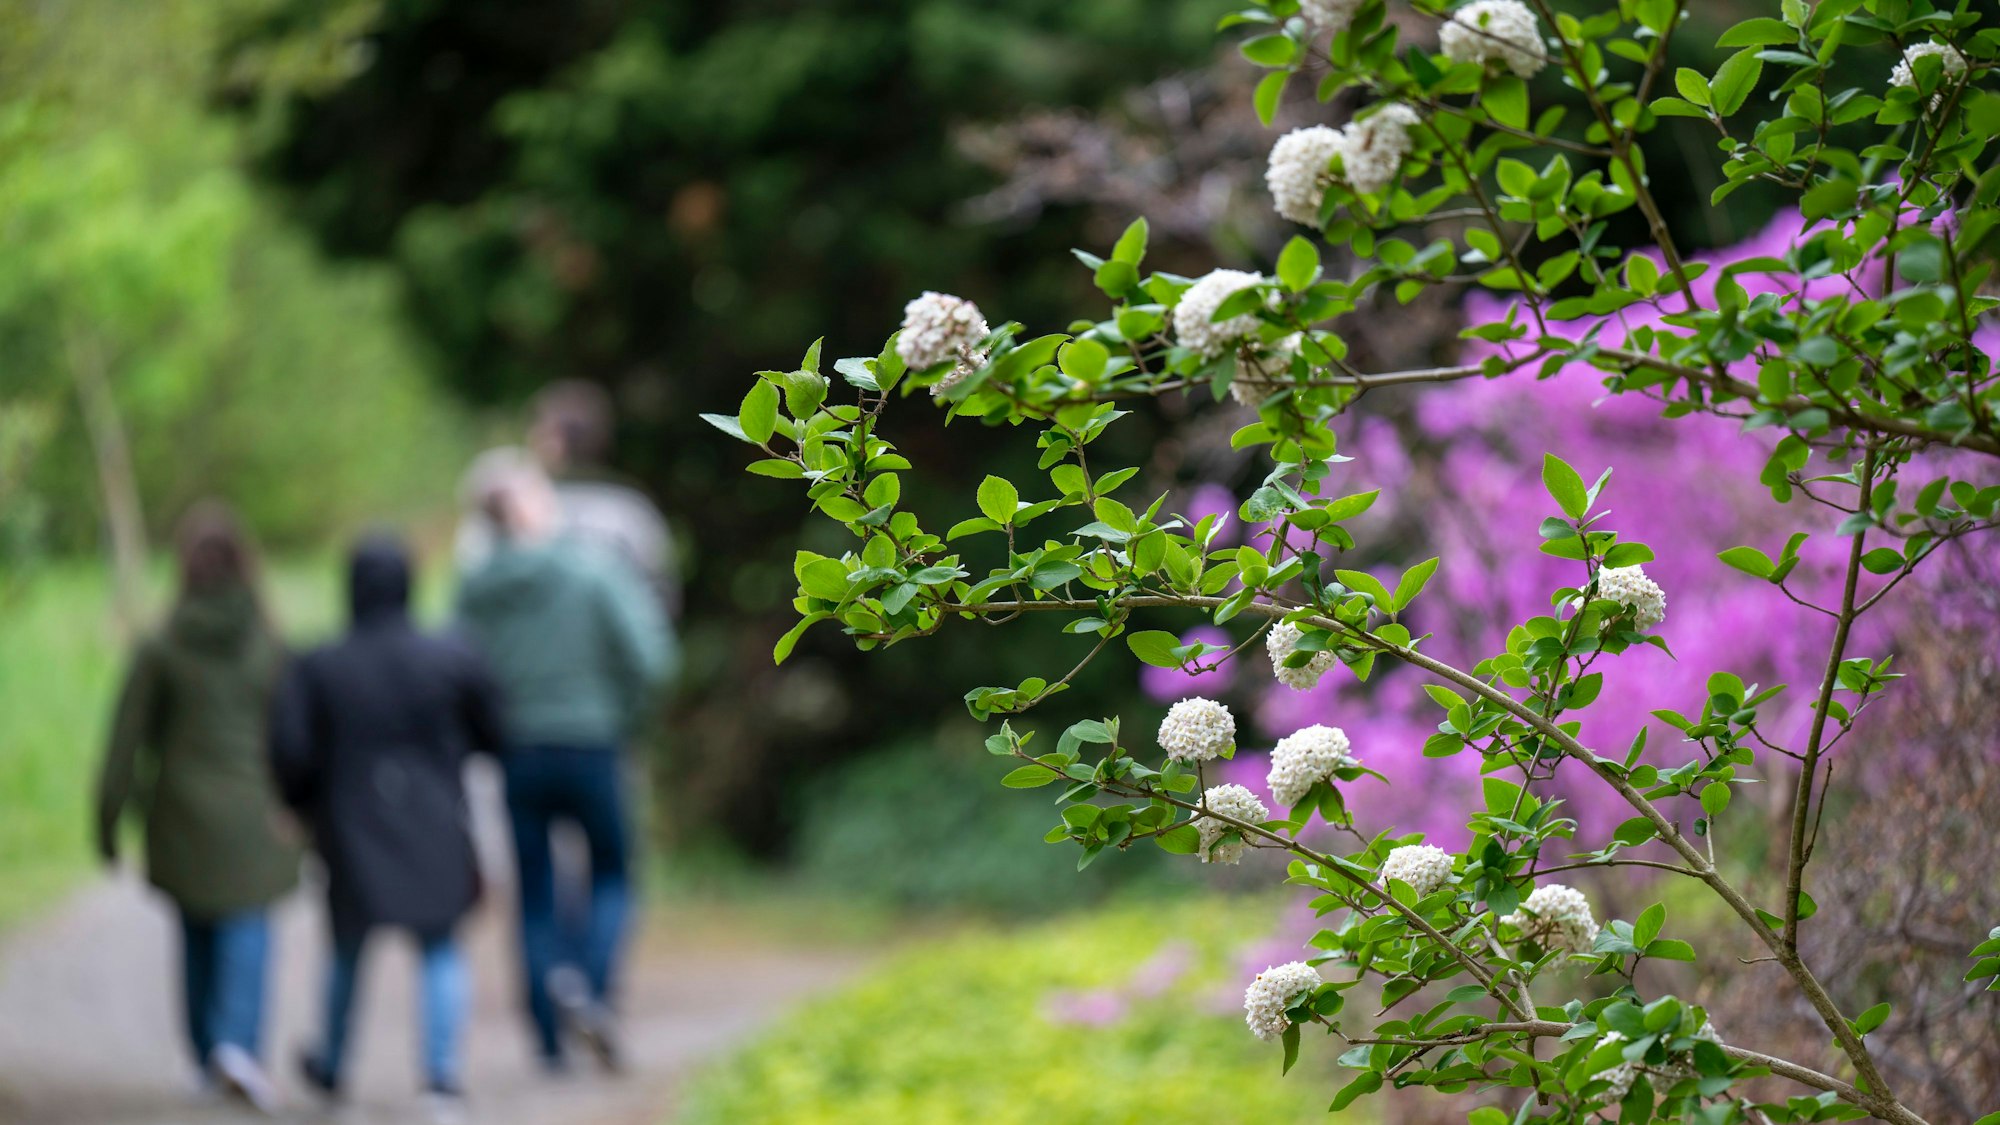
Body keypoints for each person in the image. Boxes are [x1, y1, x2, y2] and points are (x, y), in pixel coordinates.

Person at [270, 535, 504, 1119]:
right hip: (435, 819)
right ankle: (442, 1081)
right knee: (441, 946)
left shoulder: (319, 663)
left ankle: (330, 1064)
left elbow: (291, 749)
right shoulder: (451, 655)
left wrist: (299, 805)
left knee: (347, 947)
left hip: (350, 823)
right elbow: (496, 730)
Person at [455, 456, 674, 1071]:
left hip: (516, 753)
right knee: (611, 873)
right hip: (593, 743)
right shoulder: (592, 572)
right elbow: (652, 659)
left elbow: (459, 670)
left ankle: (550, 1040)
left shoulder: (474, 588)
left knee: (534, 891)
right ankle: (590, 987)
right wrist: (623, 715)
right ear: (534, 507)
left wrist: (486, 733)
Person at [95, 500, 297, 1113]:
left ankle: (208, 1052)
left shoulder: (160, 645)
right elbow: (295, 735)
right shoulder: (271, 644)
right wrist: (306, 807)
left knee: (197, 930)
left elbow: (123, 741)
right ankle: (240, 1047)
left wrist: (108, 820)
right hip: (257, 811)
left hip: (180, 811)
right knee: (249, 926)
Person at [455, 379, 680, 619]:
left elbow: (471, 578)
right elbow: (661, 602)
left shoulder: (509, 499)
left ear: (554, 440)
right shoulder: (633, 511)